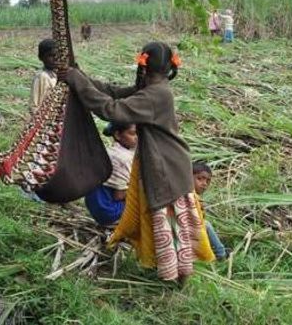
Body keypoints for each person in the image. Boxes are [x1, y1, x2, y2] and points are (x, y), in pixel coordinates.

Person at [61, 42, 203, 283]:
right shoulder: (153, 88)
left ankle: (178, 280)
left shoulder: (156, 94)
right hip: (168, 162)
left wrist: (77, 80)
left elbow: (111, 109)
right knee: (170, 222)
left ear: (143, 64)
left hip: (167, 166)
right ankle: (174, 278)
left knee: (172, 224)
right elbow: (112, 93)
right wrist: (79, 75)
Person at [84, 122, 137, 227]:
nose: (137, 137)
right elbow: (119, 195)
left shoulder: (111, 152)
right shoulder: (122, 158)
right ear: (117, 135)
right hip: (109, 211)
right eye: (132, 133)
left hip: (98, 208)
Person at [192, 162, 228, 261]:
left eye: (207, 181)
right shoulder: (189, 196)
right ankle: (221, 254)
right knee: (206, 225)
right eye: (199, 179)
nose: (204, 184)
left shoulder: (195, 197)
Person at [31, 39, 58, 112]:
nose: (55, 58)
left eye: (56, 55)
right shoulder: (41, 77)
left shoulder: (56, 74)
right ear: (41, 57)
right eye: (50, 56)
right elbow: (35, 104)